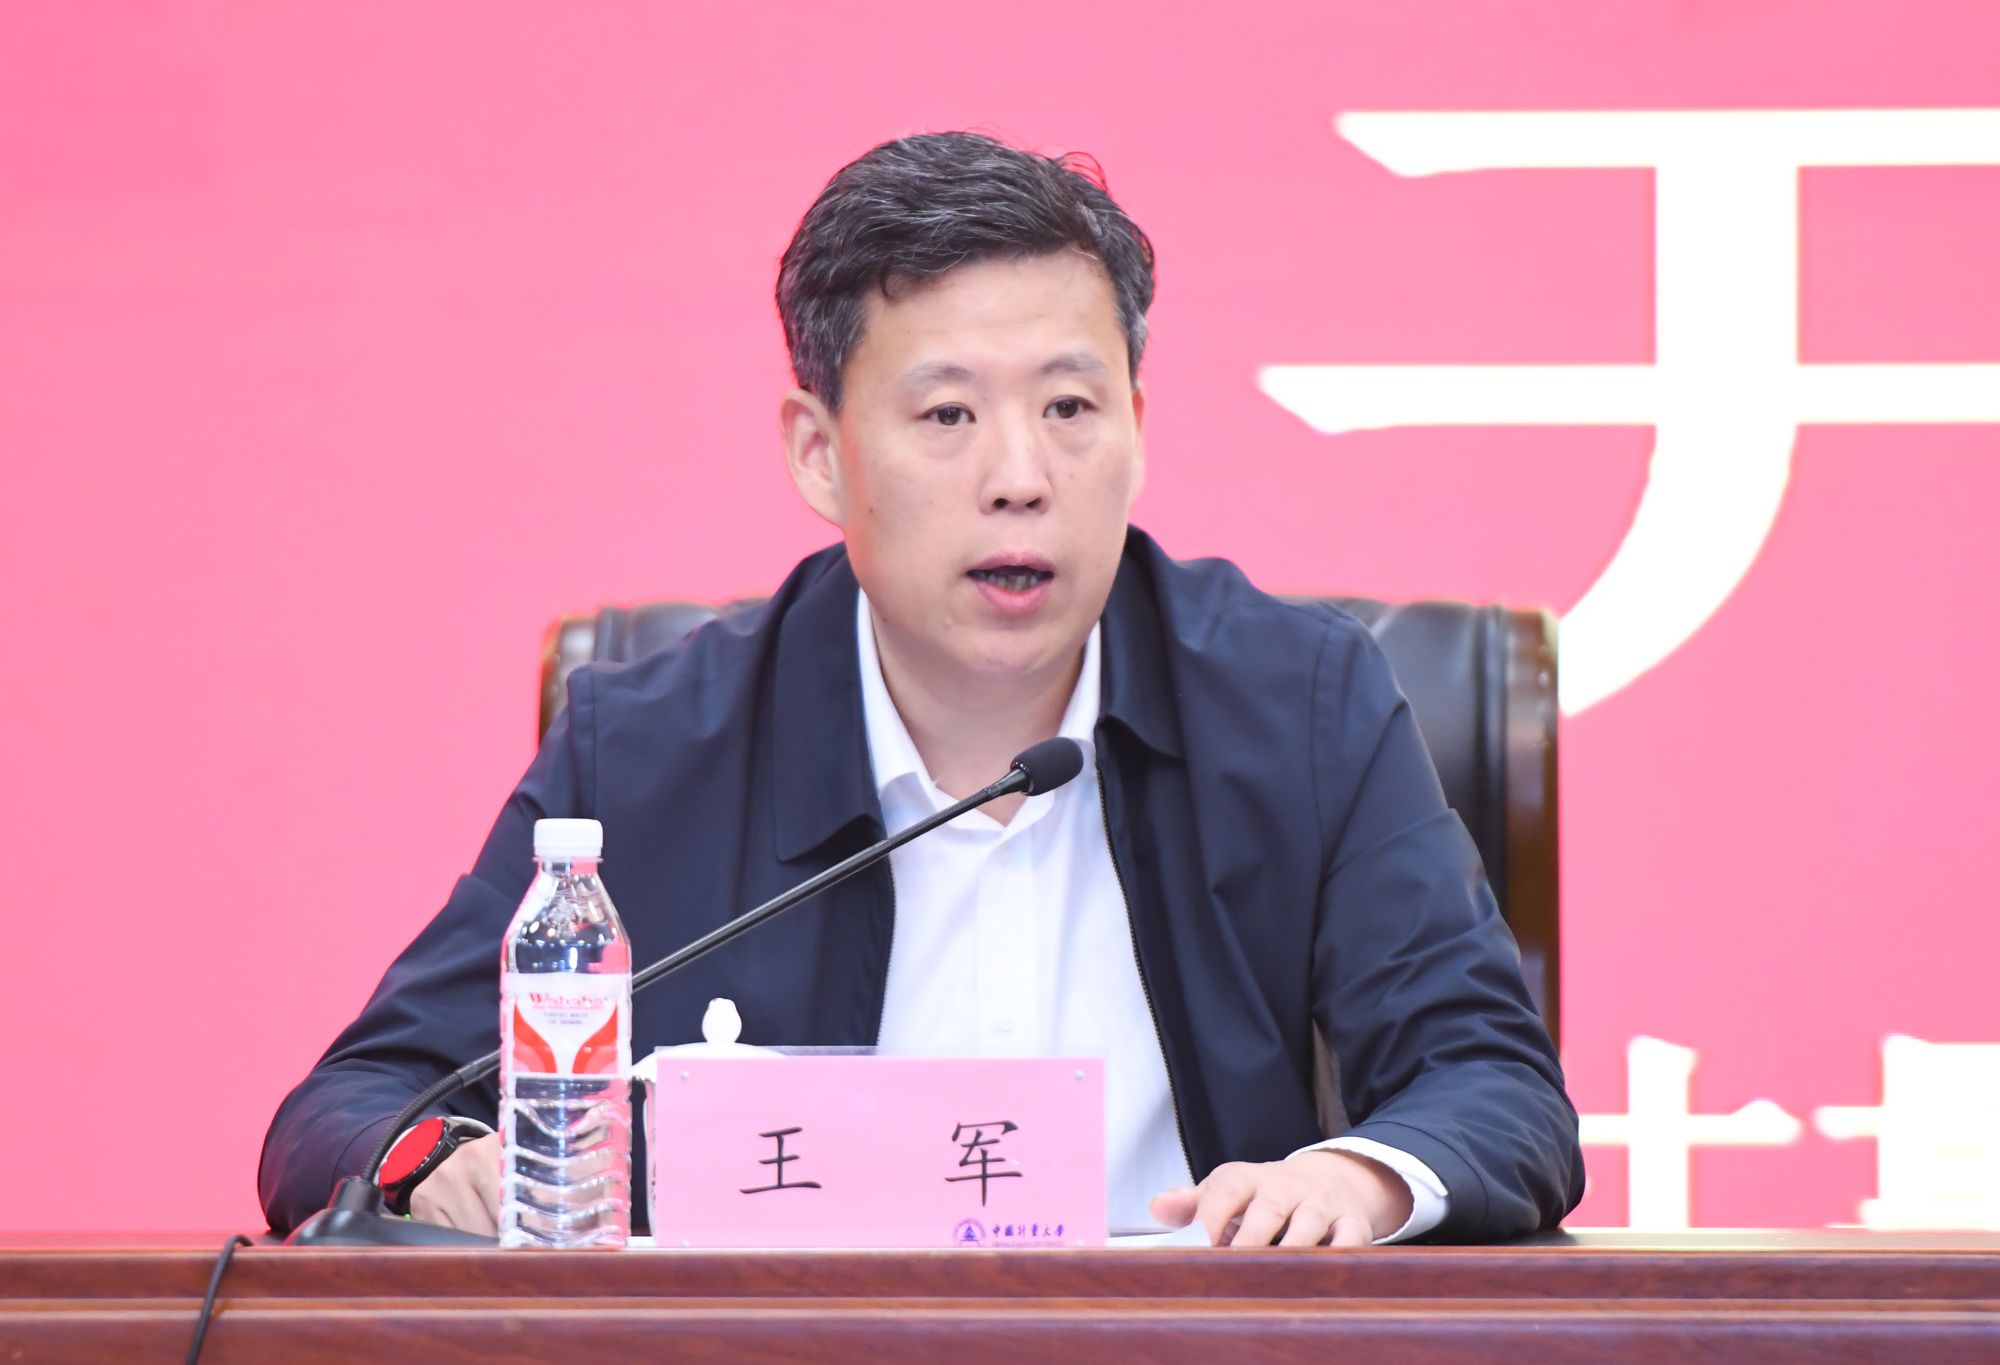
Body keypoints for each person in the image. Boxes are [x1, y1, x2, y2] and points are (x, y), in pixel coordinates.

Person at [260, 131, 1583, 1245]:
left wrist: (1357, 1176)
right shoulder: (651, 750)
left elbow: (1496, 1084)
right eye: (948, 416)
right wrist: (434, 1161)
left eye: (1071, 408)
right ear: (821, 453)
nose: (1021, 476)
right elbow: (354, 1106)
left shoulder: (1297, 708)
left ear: (1138, 423)